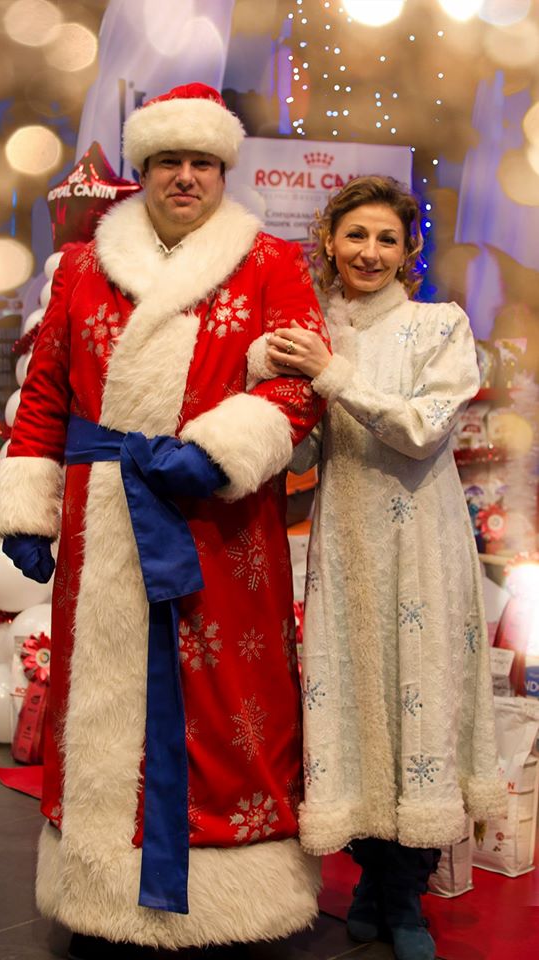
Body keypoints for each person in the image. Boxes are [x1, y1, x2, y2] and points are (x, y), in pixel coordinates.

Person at [0, 83, 328, 959]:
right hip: (104, 517)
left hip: (217, 521)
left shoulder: (270, 263)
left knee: (224, 705)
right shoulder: (80, 268)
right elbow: (46, 395)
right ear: (143, 169)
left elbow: (301, 385)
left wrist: (221, 449)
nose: (185, 176)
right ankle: (102, 889)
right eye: (168, 160)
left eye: (201, 162)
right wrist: (26, 507)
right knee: (100, 704)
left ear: (224, 169)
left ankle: (223, 897)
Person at [252, 175, 507, 960]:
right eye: (356, 235)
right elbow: (301, 451)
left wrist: (330, 375)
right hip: (343, 544)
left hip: (422, 546)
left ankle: (406, 897)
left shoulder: (440, 324)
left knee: (419, 700)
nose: (369, 252)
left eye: (386, 239)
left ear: (409, 250)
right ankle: (369, 878)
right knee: (351, 701)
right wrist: (270, 391)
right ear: (329, 242)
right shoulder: (312, 330)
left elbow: (424, 431)